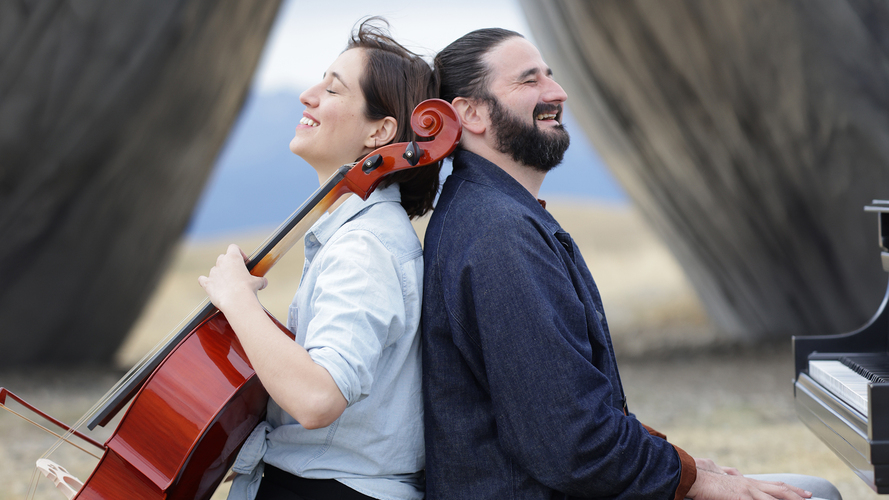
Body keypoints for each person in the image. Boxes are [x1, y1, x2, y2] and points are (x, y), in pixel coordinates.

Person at [421, 27, 843, 500]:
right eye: (528, 81)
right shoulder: (498, 234)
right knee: (816, 494)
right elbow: (573, 443)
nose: (556, 92)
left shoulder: (495, 214)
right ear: (470, 113)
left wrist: (682, 464)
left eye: (551, 76)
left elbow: (569, 414)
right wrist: (693, 480)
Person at [198, 18, 439, 500]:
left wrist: (238, 303)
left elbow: (318, 398)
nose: (308, 96)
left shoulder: (363, 247)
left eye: (332, 89)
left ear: (381, 131)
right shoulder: (358, 234)